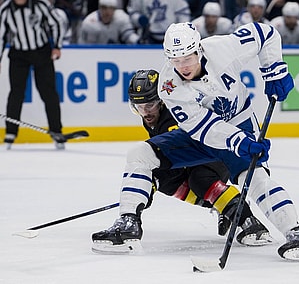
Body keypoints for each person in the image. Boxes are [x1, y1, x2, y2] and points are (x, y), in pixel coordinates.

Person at [94, 21, 299, 261]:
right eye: (175, 59)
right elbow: (203, 128)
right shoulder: (168, 86)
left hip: (240, 122)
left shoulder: (223, 47)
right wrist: (239, 142)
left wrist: (274, 69)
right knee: (140, 155)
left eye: (187, 58)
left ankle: (296, 234)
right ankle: (128, 222)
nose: (182, 66)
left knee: (255, 178)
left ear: (198, 50)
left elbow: (265, 34)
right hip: (201, 134)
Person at [91, 69, 272, 254]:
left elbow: (180, 156)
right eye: (139, 106)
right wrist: (145, 187)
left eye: (150, 104)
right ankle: (227, 208)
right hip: (195, 156)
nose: (145, 111)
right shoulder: (152, 116)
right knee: (163, 179)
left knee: (199, 179)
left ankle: (248, 221)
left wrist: (150, 186)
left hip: (216, 152)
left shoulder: (174, 113)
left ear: (161, 100)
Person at [0, 0, 66, 150]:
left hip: (41, 52)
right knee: (16, 93)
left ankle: (56, 131)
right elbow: (0, 36)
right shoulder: (5, 10)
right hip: (18, 54)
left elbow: (56, 23)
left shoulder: (40, 4)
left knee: (48, 92)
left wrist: (57, 46)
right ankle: (11, 132)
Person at [127, 0, 191, 44]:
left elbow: (183, 15)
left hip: (172, 38)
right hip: (147, 37)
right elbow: (133, 12)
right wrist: (138, 19)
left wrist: (181, 33)